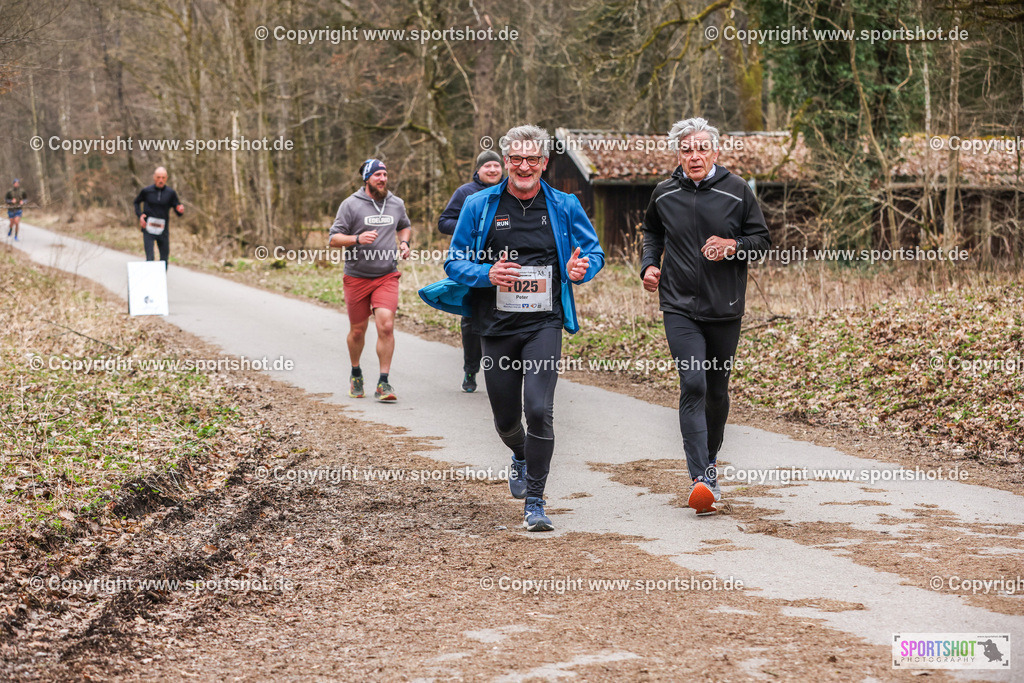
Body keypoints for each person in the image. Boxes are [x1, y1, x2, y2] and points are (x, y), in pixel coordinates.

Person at [445, 125, 605, 532]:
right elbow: (454, 261)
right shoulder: (480, 205)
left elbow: (593, 252)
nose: (523, 166)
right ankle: (518, 453)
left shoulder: (565, 205)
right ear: (506, 162)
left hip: (543, 322)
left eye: (532, 159)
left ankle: (535, 501)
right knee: (505, 419)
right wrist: (486, 273)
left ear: (544, 163)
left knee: (538, 409)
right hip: (495, 325)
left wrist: (579, 269)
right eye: (516, 159)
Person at [640, 117, 771, 516]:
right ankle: (700, 478)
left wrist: (733, 246)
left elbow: (761, 241)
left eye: (700, 149)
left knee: (716, 391)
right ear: (678, 154)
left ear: (715, 151)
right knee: (693, 382)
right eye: (686, 150)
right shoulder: (663, 193)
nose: (693, 156)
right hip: (678, 305)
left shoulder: (737, 192)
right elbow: (651, 232)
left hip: (724, 308)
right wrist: (649, 266)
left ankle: (710, 460)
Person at [328, 159, 412, 403]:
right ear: (367, 179)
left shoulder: (396, 203)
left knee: (385, 325)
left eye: (385, 174)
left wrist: (404, 243)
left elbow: (404, 226)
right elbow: (333, 239)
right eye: (377, 175)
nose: (383, 179)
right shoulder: (350, 205)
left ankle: (383, 382)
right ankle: (356, 372)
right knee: (357, 330)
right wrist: (357, 238)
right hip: (356, 276)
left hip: (386, 275)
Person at [438, 150, 504, 392]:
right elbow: (443, 222)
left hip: (504, 263)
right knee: (471, 320)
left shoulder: (508, 192)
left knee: (503, 316)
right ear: (477, 170)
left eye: (496, 166)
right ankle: (470, 369)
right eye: (487, 166)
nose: (493, 170)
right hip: (473, 266)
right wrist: (473, 226)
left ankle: (501, 373)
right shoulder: (466, 193)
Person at [133, 167, 184, 268]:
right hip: (148, 228)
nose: (161, 180)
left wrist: (180, 210)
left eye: (163, 178)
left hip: (163, 230)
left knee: (164, 259)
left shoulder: (171, 193)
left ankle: (161, 282)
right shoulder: (146, 191)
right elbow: (136, 202)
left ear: (166, 178)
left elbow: (177, 210)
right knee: (150, 258)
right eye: (158, 177)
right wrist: (140, 215)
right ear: (154, 178)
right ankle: (150, 281)